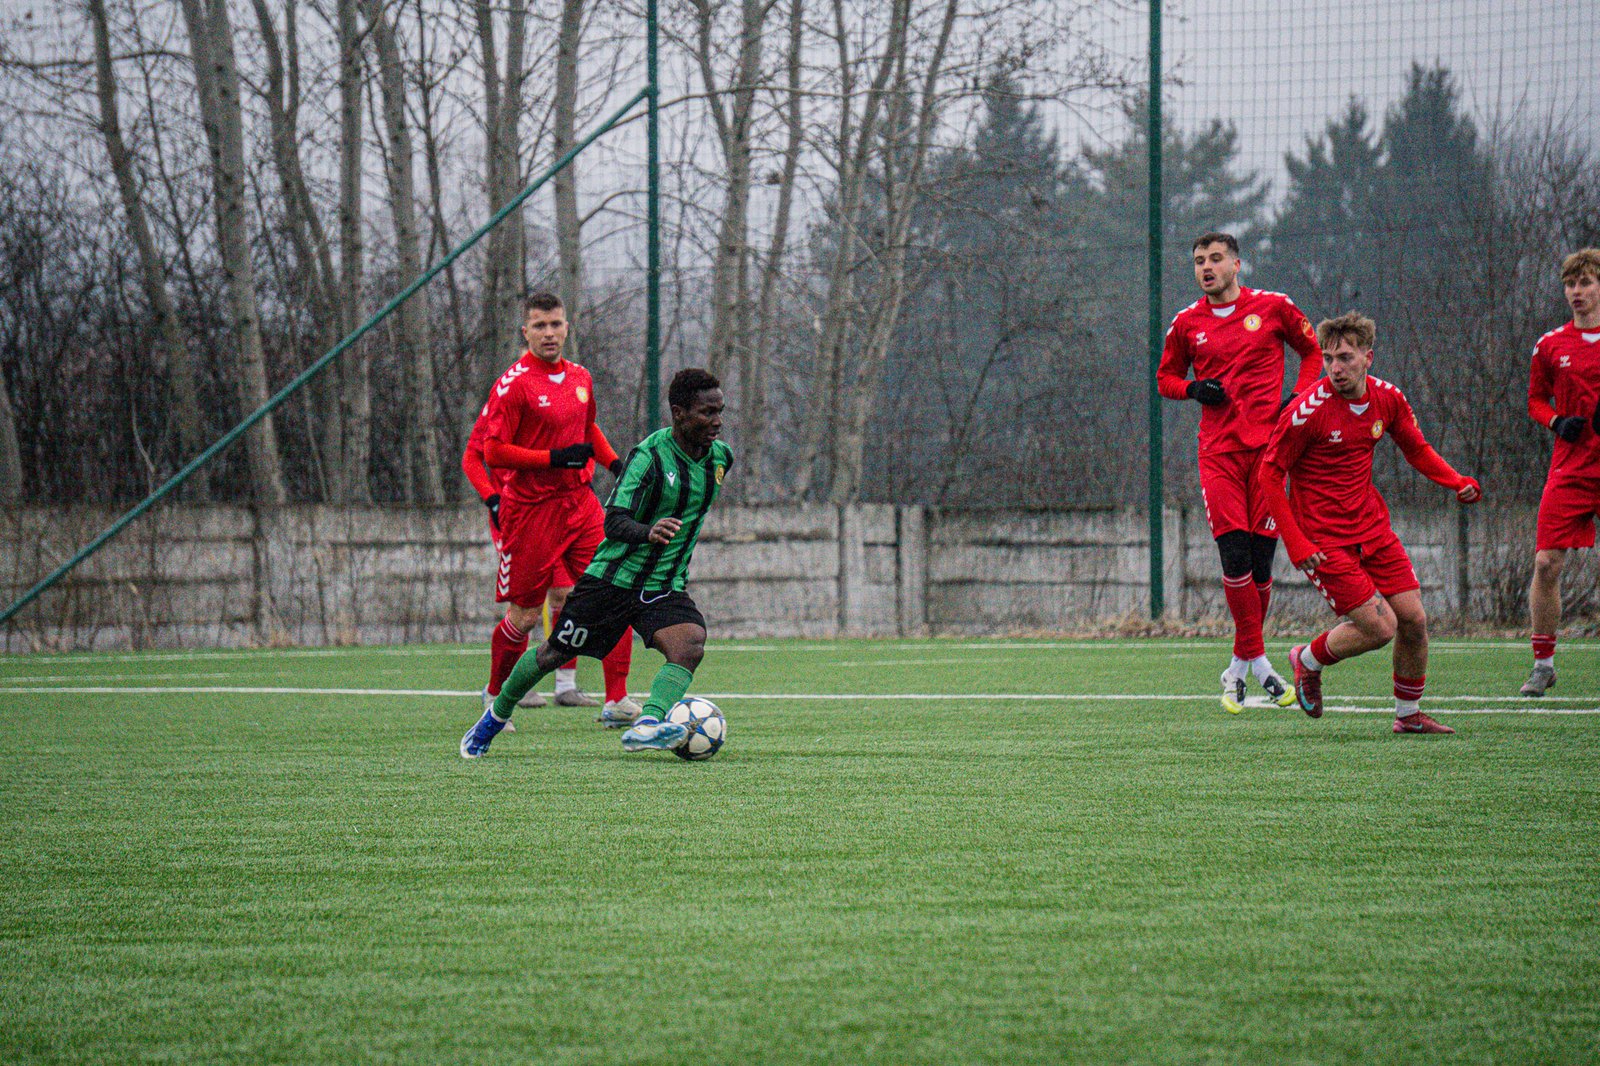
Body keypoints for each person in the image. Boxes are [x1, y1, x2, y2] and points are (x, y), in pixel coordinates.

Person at [461, 368, 731, 758]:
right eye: (707, 413)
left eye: (720, 411)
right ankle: (494, 717)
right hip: (612, 581)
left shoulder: (721, 459)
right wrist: (648, 531)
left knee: (689, 644)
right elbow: (614, 521)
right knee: (553, 653)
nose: (717, 421)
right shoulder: (649, 457)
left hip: (663, 583)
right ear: (679, 413)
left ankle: (648, 724)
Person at [1259, 312, 1481, 734]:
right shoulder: (1307, 412)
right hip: (1323, 539)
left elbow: (1416, 449)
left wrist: (1455, 481)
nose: (1335, 368)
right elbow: (1269, 474)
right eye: (1328, 359)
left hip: (1372, 528)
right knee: (1381, 628)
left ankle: (1408, 716)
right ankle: (1307, 659)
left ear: (1368, 357)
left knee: (1414, 620)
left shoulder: (1388, 399)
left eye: (1345, 358)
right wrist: (1296, 543)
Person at [1158, 232, 1324, 713]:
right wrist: (1193, 390)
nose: (1206, 268)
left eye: (1215, 259)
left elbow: (1312, 352)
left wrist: (1300, 396)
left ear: (1236, 264)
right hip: (1219, 455)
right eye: (1198, 261)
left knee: (1261, 563)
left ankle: (1239, 664)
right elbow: (1165, 378)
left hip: (1270, 453)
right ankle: (1261, 662)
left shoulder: (1274, 306)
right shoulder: (1186, 323)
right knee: (1234, 560)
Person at [469, 292, 643, 731]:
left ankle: (617, 699)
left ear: (567, 327)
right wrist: (553, 459)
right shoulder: (514, 384)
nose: (549, 333)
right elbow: (492, 451)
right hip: (531, 511)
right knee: (526, 615)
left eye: (556, 324)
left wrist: (615, 464)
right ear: (525, 331)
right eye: (540, 326)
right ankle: (495, 696)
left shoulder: (581, 377)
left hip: (580, 505)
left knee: (615, 590)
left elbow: (587, 428)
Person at [1521, 248, 1600, 696]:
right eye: (1570, 284)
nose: (1576, 292)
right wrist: (1555, 421)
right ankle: (1543, 664)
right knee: (1546, 562)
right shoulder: (1550, 345)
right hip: (1570, 468)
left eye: (1585, 282)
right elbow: (1535, 400)